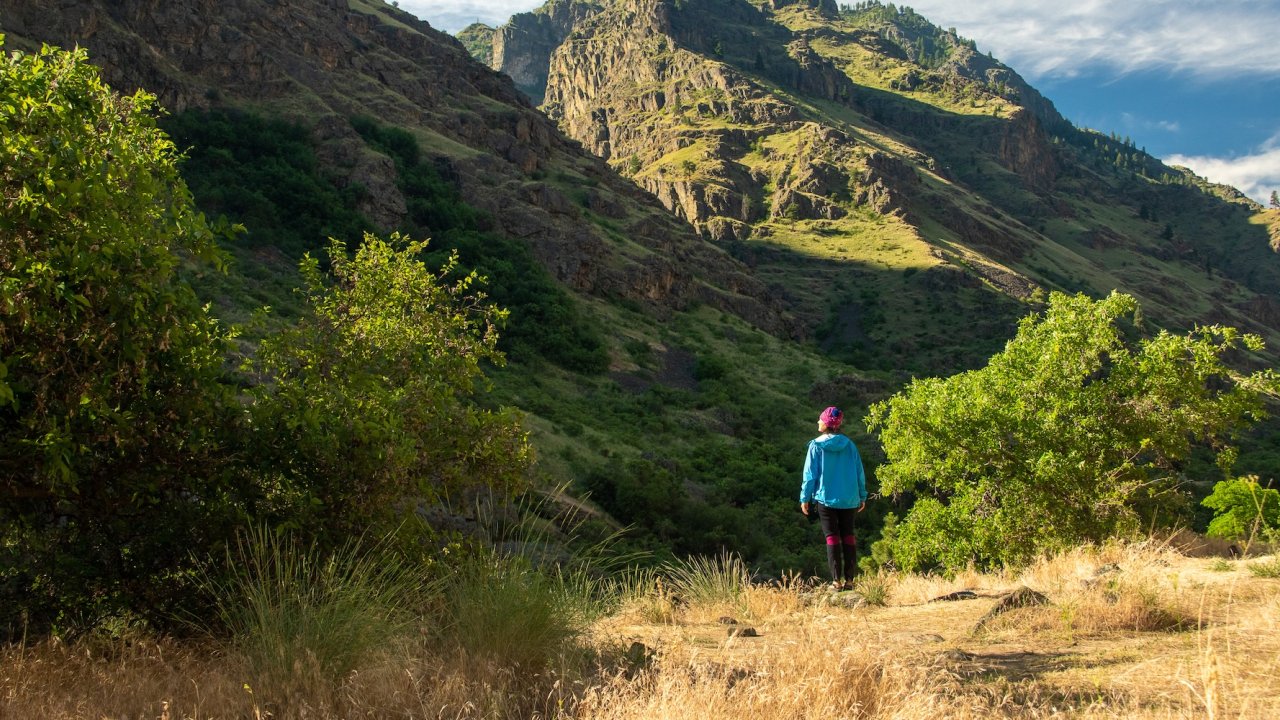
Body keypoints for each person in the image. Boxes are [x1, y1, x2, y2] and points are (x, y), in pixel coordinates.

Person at [800, 406, 868, 590]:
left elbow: (810, 475)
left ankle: (836, 581)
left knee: (832, 538)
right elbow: (859, 472)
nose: (817, 422)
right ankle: (850, 580)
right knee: (848, 536)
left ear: (827, 424)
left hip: (825, 498)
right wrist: (862, 495)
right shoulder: (850, 445)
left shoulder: (816, 446)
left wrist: (804, 497)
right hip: (849, 498)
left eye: (820, 419)